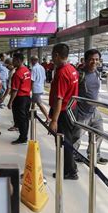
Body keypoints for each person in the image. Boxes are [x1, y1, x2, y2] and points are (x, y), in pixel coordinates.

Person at [72, 49, 108, 165]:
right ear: (86, 60)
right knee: (77, 137)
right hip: (81, 112)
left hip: (94, 111)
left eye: (97, 59)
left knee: (99, 133)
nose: (94, 61)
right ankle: (72, 157)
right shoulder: (79, 74)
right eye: (92, 59)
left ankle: (94, 155)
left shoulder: (97, 73)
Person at [48, 44, 79, 180]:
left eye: (52, 56)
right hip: (71, 110)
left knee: (64, 142)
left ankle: (70, 171)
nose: (52, 59)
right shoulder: (72, 69)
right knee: (68, 141)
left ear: (56, 55)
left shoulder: (61, 73)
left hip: (63, 112)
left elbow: (59, 99)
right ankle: (71, 167)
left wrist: (54, 120)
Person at [8, 53, 31, 145]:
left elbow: (14, 90)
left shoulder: (17, 73)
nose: (12, 62)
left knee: (21, 119)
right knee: (25, 118)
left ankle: (22, 138)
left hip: (20, 99)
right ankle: (24, 135)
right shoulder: (26, 70)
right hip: (27, 97)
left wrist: (10, 102)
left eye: (13, 60)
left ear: (18, 60)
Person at [30, 56, 50, 121]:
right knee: (33, 102)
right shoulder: (42, 67)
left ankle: (48, 117)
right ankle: (31, 115)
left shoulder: (34, 68)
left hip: (36, 88)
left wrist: (29, 88)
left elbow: (32, 80)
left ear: (33, 61)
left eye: (31, 61)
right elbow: (44, 78)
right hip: (40, 87)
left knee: (39, 103)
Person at [1, 57, 18, 132]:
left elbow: (10, 87)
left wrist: (4, 98)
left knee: (16, 111)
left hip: (15, 95)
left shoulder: (13, 73)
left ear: (11, 64)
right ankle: (17, 125)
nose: (6, 67)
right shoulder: (12, 71)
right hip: (16, 94)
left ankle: (17, 125)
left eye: (7, 66)